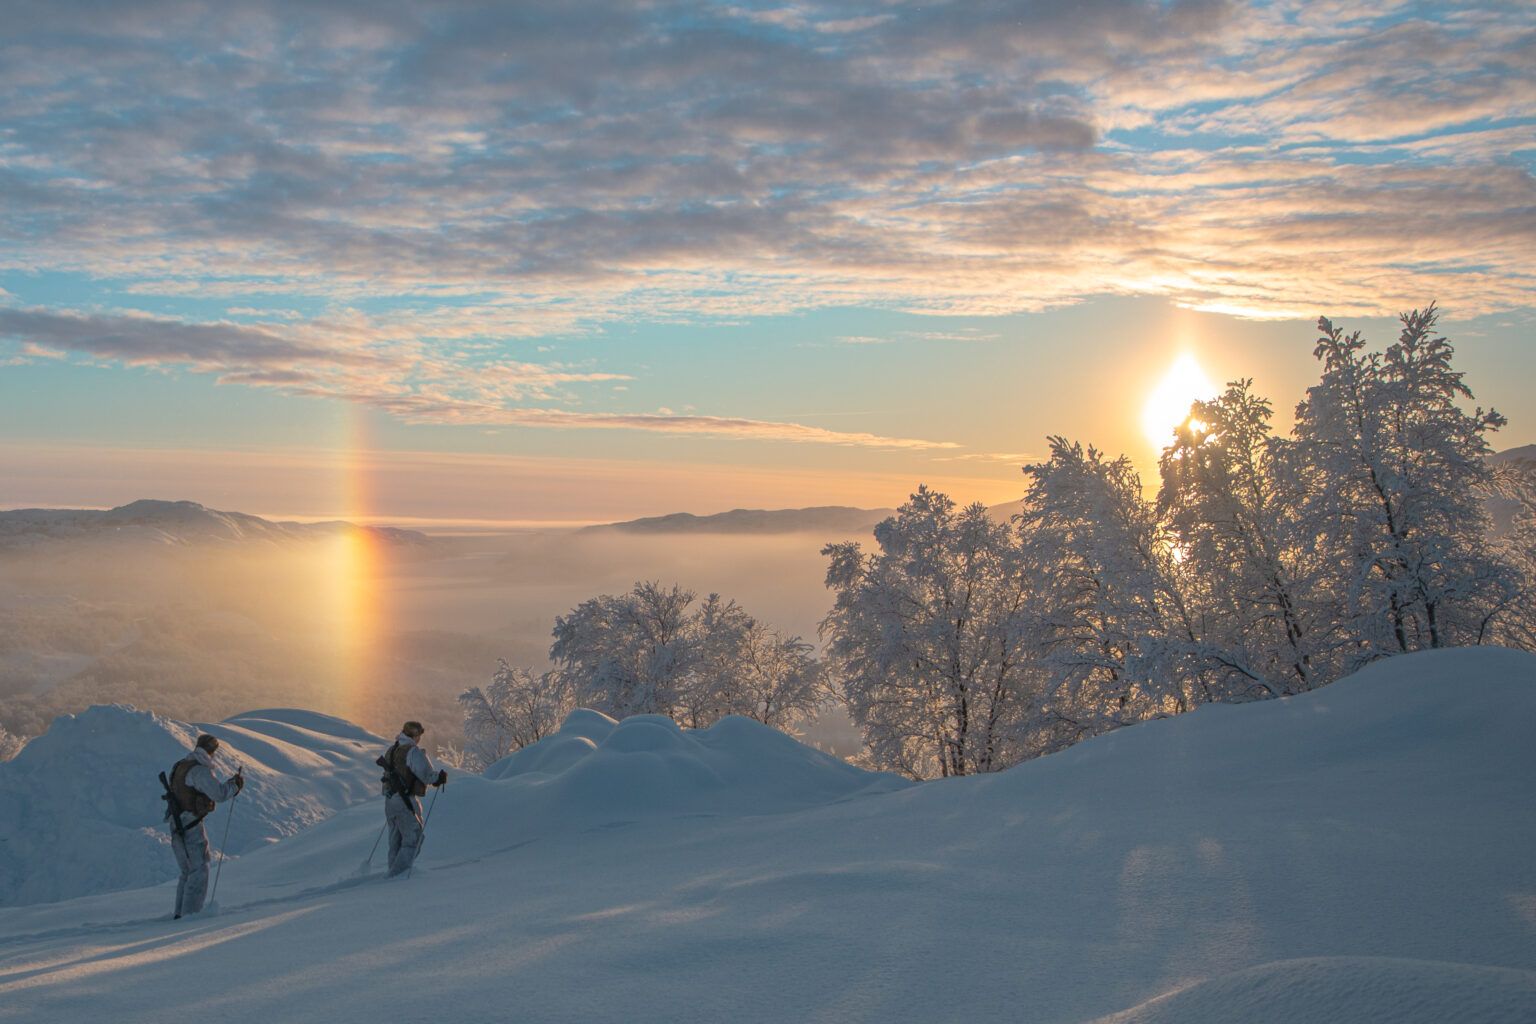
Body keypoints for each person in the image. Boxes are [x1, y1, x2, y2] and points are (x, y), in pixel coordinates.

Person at [165, 733, 243, 918]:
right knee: (199, 870)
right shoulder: (199, 770)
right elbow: (219, 794)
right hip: (189, 824)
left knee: (187, 871)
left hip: (176, 823)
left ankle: (180, 914)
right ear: (212, 750)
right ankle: (190, 917)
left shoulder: (180, 766)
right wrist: (235, 786)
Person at [381, 721, 447, 877]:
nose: (419, 738)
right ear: (414, 735)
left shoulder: (391, 750)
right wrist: (439, 778)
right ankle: (397, 876)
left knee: (395, 841)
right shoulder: (413, 752)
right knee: (413, 838)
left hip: (389, 801)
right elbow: (426, 775)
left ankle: (392, 871)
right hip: (404, 800)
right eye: (419, 735)